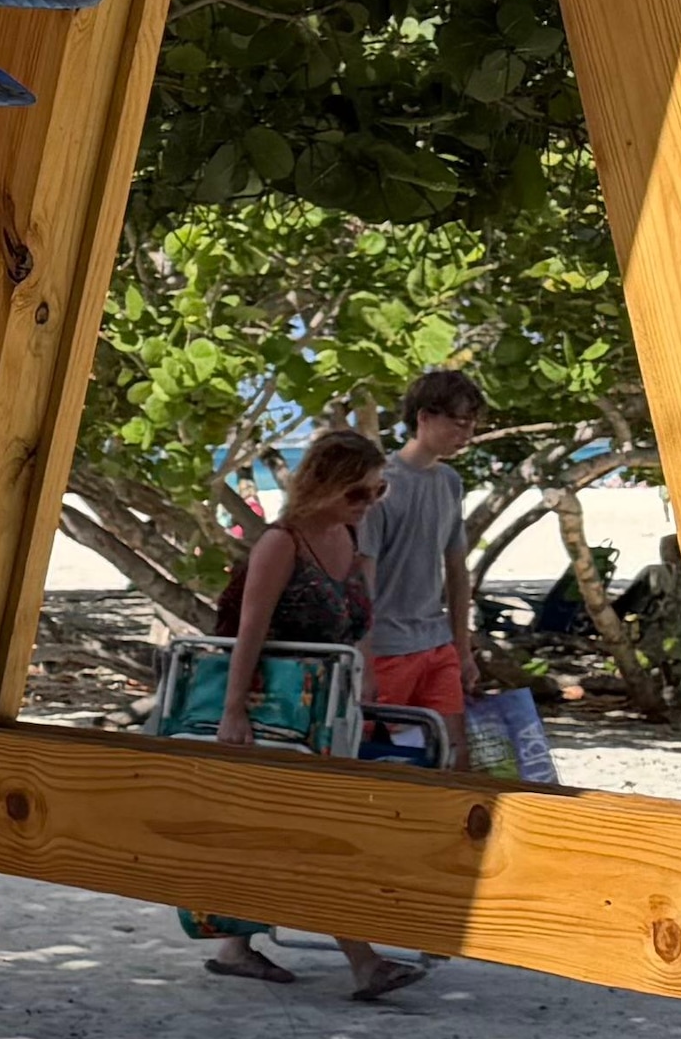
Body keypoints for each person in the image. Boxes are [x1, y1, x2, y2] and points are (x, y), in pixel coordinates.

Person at [195, 427, 424, 1002]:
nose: (368, 504)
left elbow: (360, 617)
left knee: (286, 833)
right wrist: (233, 711)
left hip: (328, 711)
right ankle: (362, 960)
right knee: (312, 833)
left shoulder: (349, 535)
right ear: (324, 484)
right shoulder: (282, 543)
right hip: (276, 711)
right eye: (357, 492)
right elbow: (250, 629)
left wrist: (366, 677)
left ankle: (235, 947)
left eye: (377, 492)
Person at [360, 369, 489, 726]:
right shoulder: (380, 484)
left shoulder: (449, 482)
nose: (466, 435)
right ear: (424, 417)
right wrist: (364, 662)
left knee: (450, 747)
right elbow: (363, 580)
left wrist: (463, 650)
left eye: (471, 425)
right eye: (459, 423)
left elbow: (457, 570)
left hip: (437, 642)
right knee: (382, 749)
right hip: (387, 648)